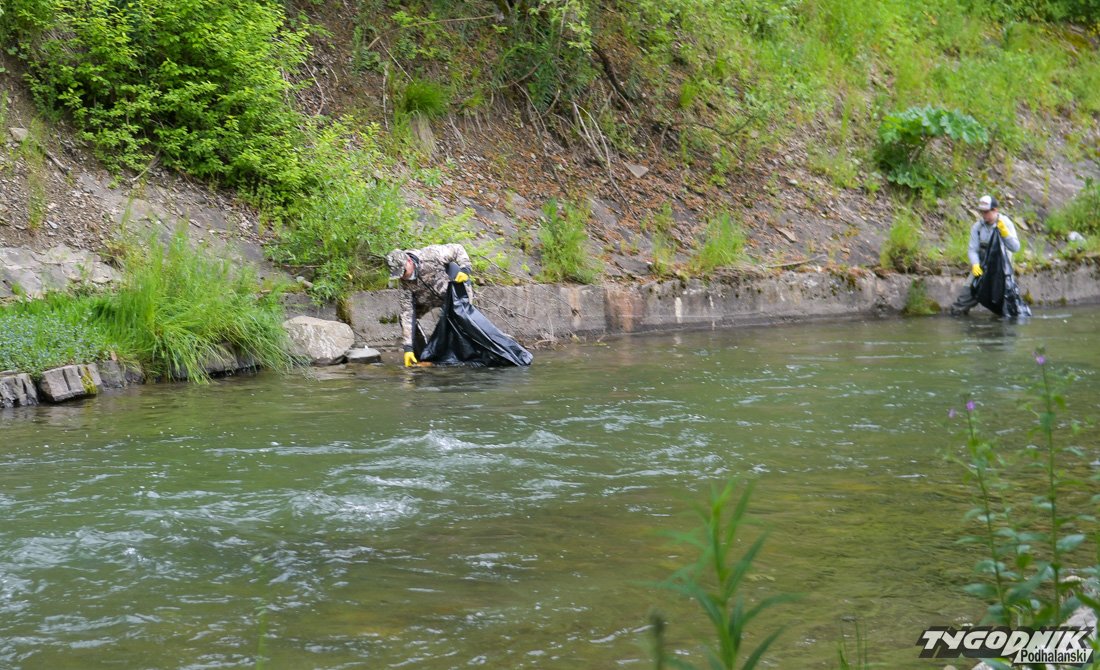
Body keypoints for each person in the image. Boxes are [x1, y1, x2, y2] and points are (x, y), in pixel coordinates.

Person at [385, 243, 473, 366]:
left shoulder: (430, 255)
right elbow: (407, 313)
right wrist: (408, 347)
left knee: (457, 318)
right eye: (398, 274)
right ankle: (423, 358)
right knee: (405, 318)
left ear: (409, 261)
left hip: (452, 290)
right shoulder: (404, 284)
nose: (402, 276)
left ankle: (463, 353)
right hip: (426, 299)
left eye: (403, 271)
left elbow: (458, 249)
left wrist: (465, 269)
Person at [949, 195, 1029, 317]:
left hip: (1001, 273)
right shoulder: (977, 227)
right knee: (961, 303)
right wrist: (975, 264)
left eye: (986, 212)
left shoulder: (1006, 223)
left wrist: (1005, 234)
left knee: (1008, 310)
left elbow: (1015, 248)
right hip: (981, 270)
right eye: (982, 212)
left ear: (995, 210)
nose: (983, 215)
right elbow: (972, 250)